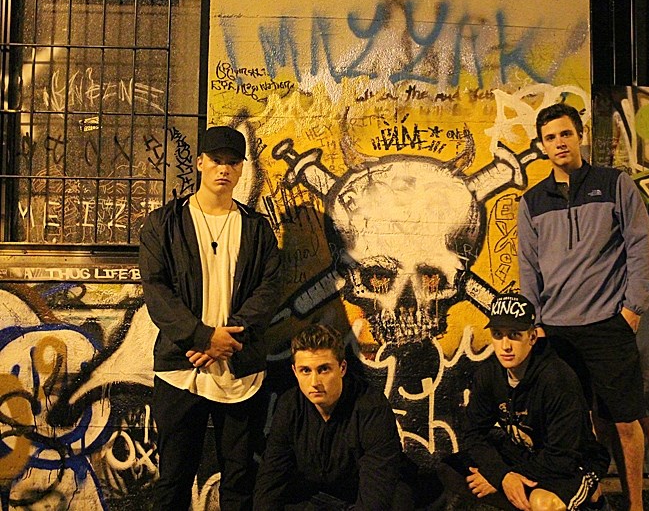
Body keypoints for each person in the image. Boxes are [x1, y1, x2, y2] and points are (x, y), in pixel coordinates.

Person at [517, 102, 649, 511]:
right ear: (541, 146)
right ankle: (594, 499)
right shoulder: (532, 202)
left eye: (565, 133)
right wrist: (535, 323)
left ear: (579, 135)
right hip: (556, 331)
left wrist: (632, 309)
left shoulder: (615, 184)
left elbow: (641, 248)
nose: (559, 143)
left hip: (608, 326)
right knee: (582, 426)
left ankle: (635, 505)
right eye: (550, 137)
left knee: (624, 421)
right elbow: (528, 269)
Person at [139, 125, 282, 511]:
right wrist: (202, 338)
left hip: (240, 368)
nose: (225, 169)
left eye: (233, 163)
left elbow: (268, 291)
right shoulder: (163, 224)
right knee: (173, 478)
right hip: (181, 368)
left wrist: (225, 341)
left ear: (241, 170)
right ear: (200, 162)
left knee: (238, 478)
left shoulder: (256, 229)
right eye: (217, 160)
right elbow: (157, 289)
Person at [439, 293, 610, 511]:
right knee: (451, 469)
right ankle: (521, 497)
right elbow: (473, 433)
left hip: (573, 462)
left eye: (514, 335)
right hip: (526, 454)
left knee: (542, 503)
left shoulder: (557, 378)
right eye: (498, 335)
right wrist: (502, 476)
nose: (505, 345)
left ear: (532, 337)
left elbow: (562, 455)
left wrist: (501, 478)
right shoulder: (489, 373)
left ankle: (593, 499)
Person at [254, 323, 412, 510]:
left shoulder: (371, 407)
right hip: (316, 497)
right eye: (306, 370)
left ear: (342, 368)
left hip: (363, 497)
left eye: (324, 369)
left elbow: (377, 490)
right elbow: (271, 478)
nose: (315, 382)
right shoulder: (290, 406)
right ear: (295, 372)